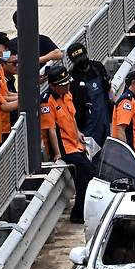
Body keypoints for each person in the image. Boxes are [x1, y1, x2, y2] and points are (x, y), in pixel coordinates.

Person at [40, 66, 94, 224]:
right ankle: (78, 213)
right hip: (64, 147)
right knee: (86, 171)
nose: (67, 86)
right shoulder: (46, 101)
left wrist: (78, 133)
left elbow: (72, 117)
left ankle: (81, 211)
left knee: (88, 174)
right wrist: (56, 153)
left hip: (75, 143)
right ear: (53, 86)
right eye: (63, 85)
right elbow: (50, 130)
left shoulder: (67, 95)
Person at [66, 42, 112, 160]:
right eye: (78, 61)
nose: (82, 63)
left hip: (105, 117)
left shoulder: (98, 67)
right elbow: (69, 108)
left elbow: (109, 90)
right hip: (87, 125)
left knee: (108, 153)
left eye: (83, 58)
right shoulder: (72, 78)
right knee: (91, 157)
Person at [2, 44, 20, 127]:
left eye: (18, 62)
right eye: (14, 63)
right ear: (3, 64)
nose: (17, 65)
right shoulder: (0, 81)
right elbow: (3, 102)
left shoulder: (11, 78)